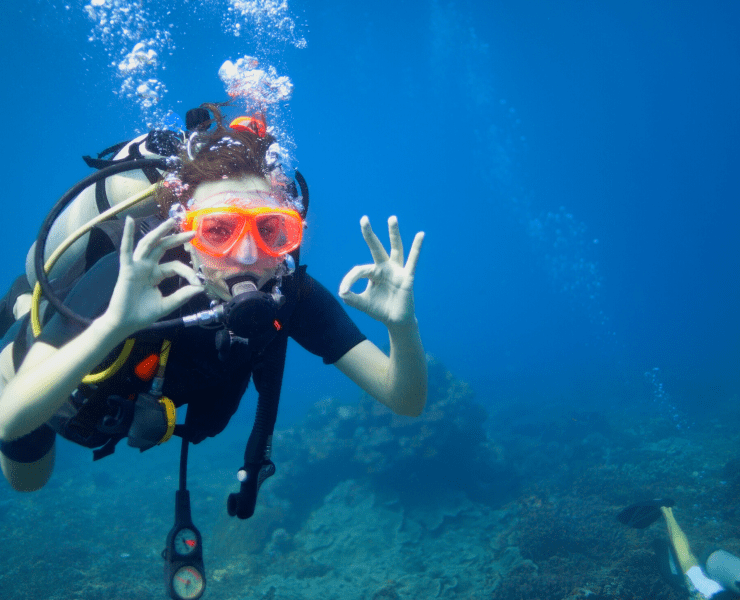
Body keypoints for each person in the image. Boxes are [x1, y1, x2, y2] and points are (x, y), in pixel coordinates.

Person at [0, 104, 427, 495]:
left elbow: (405, 400)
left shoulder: (290, 293)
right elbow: (11, 418)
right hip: (53, 391)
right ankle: (22, 305)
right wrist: (114, 323)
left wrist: (401, 327)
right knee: (28, 479)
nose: (246, 255)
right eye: (218, 230)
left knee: (28, 484)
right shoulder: (130, 276)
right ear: (183, 231)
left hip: (127, 405)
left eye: (270, 230)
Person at [618, 498, 740, 599]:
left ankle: (665, 508)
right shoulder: (707, 591)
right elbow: (686, 558)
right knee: (685, 569)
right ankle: (665, 509)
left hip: (721, 570)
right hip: (714, 577)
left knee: (684, 572)